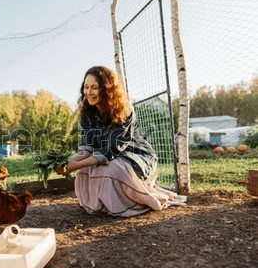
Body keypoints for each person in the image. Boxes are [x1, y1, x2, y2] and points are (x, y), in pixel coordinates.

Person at [56, 66, 185, 217]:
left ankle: (135, 198)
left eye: (94, 87)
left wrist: (75, 165)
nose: (88, 92)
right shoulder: (88, 111)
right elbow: (87, 148)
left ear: (106, 89)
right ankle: (103, 204)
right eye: (86, 87)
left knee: (108, 168)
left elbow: (112, 149)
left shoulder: (123, 109)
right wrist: (67, 163)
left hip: (136, 157)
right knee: (85, 169)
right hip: (110, 156)